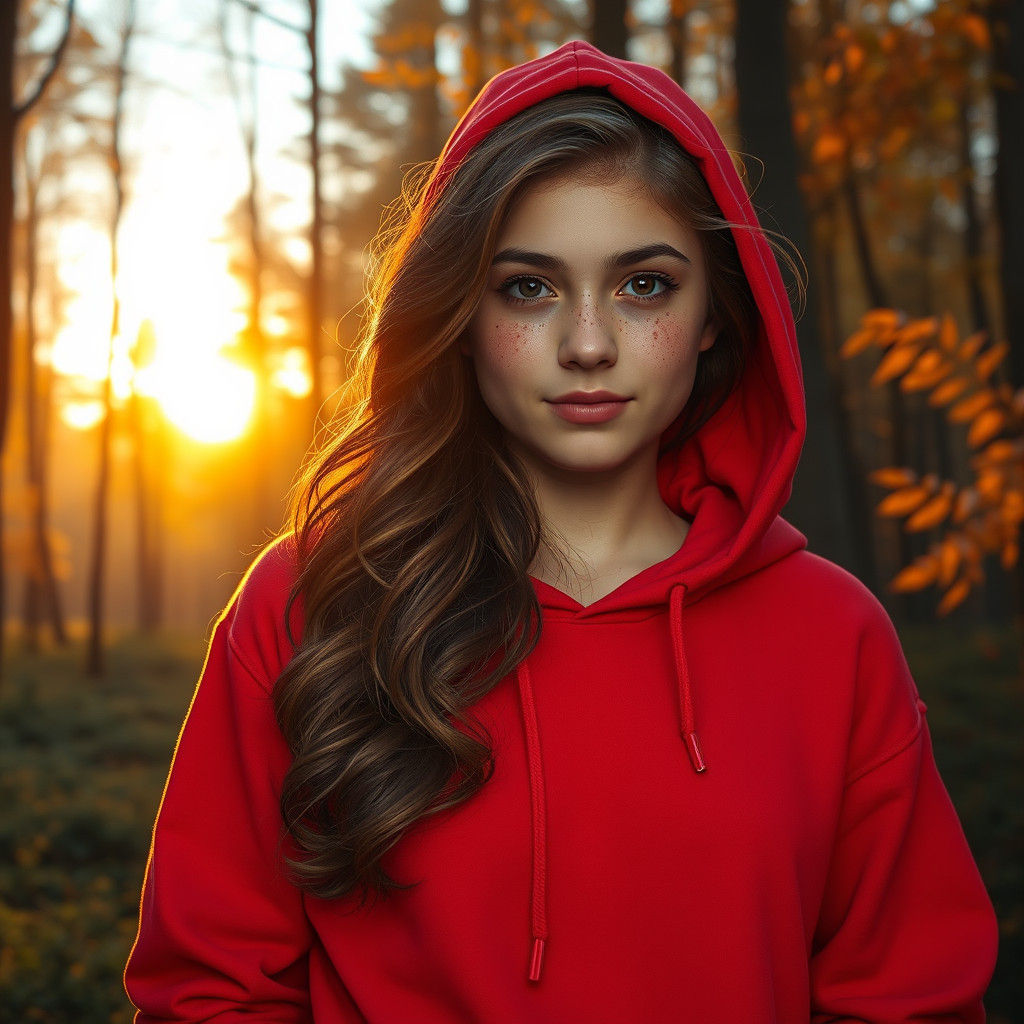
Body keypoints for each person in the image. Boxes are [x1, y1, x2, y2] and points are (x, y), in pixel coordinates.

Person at [123, 38, 999, 1023]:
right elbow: (206, 991)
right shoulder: (314, 602)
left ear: (716, 310)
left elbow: (909, 1000)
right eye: (528, 287)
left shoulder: (832, 635)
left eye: (644, 285)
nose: (587, 343)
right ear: (461, 309)